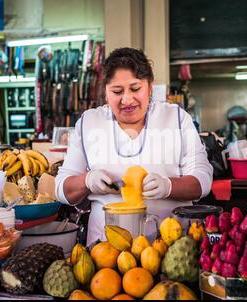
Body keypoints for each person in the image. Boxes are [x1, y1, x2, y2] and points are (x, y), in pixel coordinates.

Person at [55, 47, 213, 245]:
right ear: (105, 91)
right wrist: (87, 180)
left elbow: (203, 180)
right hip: (105, 250)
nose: (127, 99)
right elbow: (61, 189)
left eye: (135, 88)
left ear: (150, 86)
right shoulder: (89, 123)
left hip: (171, 246)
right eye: (117, 91)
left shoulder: (176, 118)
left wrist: (168, 186)